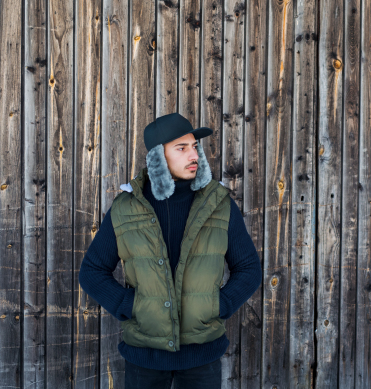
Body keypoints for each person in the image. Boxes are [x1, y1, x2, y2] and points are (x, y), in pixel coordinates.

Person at [79, 113, 262, 388]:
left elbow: (248, 268)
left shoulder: (219, 204)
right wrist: (129, 306)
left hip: (202, 354)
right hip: (144, 355)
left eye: (195, 147)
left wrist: (219, 304)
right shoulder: (126, 208)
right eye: (182, 148)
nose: (194, 155)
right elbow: (92, 271)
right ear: (157, 157)